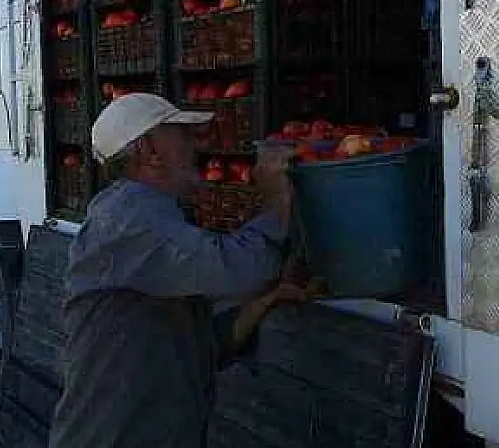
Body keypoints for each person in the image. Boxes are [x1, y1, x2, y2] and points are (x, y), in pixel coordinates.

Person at [48, 92, 314, 448]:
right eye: (184, 134)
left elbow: (194, 352)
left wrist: (260, 305)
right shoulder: (132, 221)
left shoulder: (148, 217)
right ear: (149, 150)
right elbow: (246, 268)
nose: (196, 144)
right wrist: (276, 199)